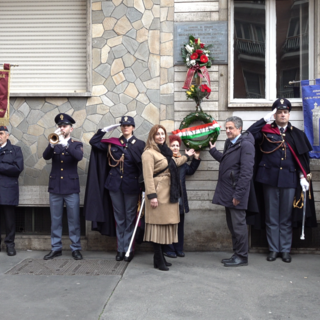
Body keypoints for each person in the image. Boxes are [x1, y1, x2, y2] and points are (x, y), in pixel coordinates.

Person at [247, 98, 316, 263]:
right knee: (271, 217)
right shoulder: (265, 131)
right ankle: (273, 249)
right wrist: (265, 119)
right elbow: (248, 134)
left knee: (286, 217)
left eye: (285, 112)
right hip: (269, 180)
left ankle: (285, 250)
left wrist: (302, 176)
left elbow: (301, 159)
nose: (282, 115)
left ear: (289, 114)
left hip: (290, 179)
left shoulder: (296, 134)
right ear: (275, 114)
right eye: (279, 112)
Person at [86, 116, 145, 262]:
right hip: (115, 186)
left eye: (128, 125)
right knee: (119, 219)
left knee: (130, 218)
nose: (126, 127)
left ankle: (129, 249)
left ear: (133, 127)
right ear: (120, 127)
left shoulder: (139, 144)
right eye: (123, 125)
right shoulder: (113, 143)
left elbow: (143, 167)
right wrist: (104, 131)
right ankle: (120, 249)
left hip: (131, 187)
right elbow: (93, 142)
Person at [142, 125, 195, 271]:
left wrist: (187, 155)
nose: (160, 136)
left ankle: (159, 258)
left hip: (168, 193)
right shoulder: (148, 153)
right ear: (152, 136)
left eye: (162, 134)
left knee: (164, 226)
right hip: (158, 194)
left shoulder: (165, 151)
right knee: (156, 226)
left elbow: (174, 163)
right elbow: (147, 177)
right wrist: (152, 196)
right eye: (157, 134)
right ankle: (158, 258)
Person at [209, 116, 255, 267]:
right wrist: (213, 151)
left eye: (231, 128)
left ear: (239, 129)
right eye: (226, 128)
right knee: (232, 226)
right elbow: (226, 161)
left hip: (236, 193)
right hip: (228, 191)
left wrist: (238, 195)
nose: (227, 131)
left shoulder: (246, 145)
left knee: (238, 226)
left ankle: (242, 257)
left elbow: (246, 172)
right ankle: (236, 254)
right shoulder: (230, 142)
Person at [43, 113, 83, 260]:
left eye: (64, 126)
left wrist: (65, 143)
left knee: (74, 220)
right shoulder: (54, 142)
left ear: (70, 129)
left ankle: (76, 248)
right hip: (55, 188)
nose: (62, 128)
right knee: (55, 220)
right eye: (60, 126)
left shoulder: (76, 144)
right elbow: (46, 156)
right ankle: (56, 248)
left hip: (71, 188)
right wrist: (53, 144)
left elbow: (78, 157)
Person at [162, 135, 201, 258]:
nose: (175, 147)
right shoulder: (165, 160)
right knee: (169, 224)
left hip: (180, 199)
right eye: (172, 145)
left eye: (177, 146)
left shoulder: (183, 161)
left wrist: (195, 158)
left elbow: (190, 171)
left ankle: (179, 248)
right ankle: (168, 249)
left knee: (179, 224)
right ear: (169, 147)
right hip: (168, 197)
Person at [0, 126, 24, 256]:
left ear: (7, 136)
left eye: (1, 133)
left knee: (9, 221)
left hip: (8, 190)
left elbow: (17, 168)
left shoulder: (15, 150)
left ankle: (10, 245)